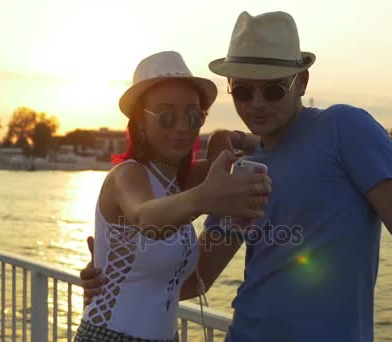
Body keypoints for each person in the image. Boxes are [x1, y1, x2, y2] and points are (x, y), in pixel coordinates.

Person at [81, 12, 392, 341]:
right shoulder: (240, 175)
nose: (256, 104)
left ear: (301, 82)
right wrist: (114, 269)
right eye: (242, 92)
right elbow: (194, 281)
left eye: (272, 90)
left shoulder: (346, 130)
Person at [74, 50, 272, 342]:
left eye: (194, 116)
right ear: (140, 121)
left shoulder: (179, 182)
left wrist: (227, 139)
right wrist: (206, 197)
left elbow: (190, 285)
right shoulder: (127, 175)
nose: (182, 127)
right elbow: (146, 217)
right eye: (166, 116)